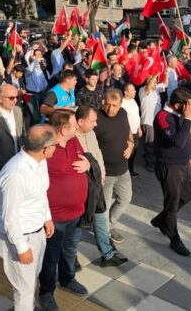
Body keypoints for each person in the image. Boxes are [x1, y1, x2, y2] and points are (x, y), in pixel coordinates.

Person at [0, 124, 56, 310]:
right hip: (20, 238)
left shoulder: (40, 161)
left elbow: (41, 193)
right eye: (55, 144)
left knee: (30, 280)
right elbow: (9, 218)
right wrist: (22, 248)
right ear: (45, 149)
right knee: (24, 289)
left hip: (37, 232)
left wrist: (47, 217)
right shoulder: (15, 174)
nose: (57, 147)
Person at [39, 110, 90, 310]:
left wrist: (87, 163)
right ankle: (46, 291)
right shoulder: (46, 149)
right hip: (55, 217)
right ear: (63, 129)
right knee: (51, 257)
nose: (77, 126)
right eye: (73, 125)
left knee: (70, 250)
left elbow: (83, 156)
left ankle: (68, 279)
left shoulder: (74, 140)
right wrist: (45, 216)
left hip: (76, 213)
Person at [74, 105, 128, 267]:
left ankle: (108, 255)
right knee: (76, 224)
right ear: (80, 121)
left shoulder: (90, 133)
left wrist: (102, 175)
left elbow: (98, 155)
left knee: (100, 219)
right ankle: (71, 257)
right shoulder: (71, 138)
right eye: (93, 121)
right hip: (81, 188)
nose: (96, 124)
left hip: (96, 185)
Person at [151, 87, 191, 256]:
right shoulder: (162, 117)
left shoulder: (179, 115)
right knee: (172, 204)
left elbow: (185, 140)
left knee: (186, 195)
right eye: (188, 105)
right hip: (170, 167)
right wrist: (188, 119)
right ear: (178, 105)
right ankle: (174, 238)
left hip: (184, 164)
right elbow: (177, 141)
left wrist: (189, 156)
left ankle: (161, 220)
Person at [93, 89, 134, 244]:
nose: (110, 108)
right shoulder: (96, 118)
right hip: (106, 174)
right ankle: (103, 234)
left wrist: (131, 144)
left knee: (125, 199)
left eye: (114, 105)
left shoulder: (123, 113)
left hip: (123, 170)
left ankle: (108, 225)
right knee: (104, 207)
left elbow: (128, 131)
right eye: (107, 104)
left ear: (120, 104)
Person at [139, 74, 165, 173]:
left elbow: (165, 84)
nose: (156, 83)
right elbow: (149, 85)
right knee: (149, 143)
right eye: (155, 81)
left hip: (156, 120)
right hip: (148, 121)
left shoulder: (156, 90)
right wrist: (156, 74)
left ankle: (150, 158)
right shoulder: (143, 90)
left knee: (155, 142)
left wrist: (165, 73)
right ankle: (149, 163)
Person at [122, 83, 142, 178]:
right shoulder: (122, 103)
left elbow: (136, 115)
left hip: (136, 131)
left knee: (135, 151)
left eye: (134, 89)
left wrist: (139, 127)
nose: (135, 91)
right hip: (127, 133)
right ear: (126, 92)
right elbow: (123, 119)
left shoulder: (133, 101)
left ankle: (131, 170)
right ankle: (125, 171)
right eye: (132, 90)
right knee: (127, 152)